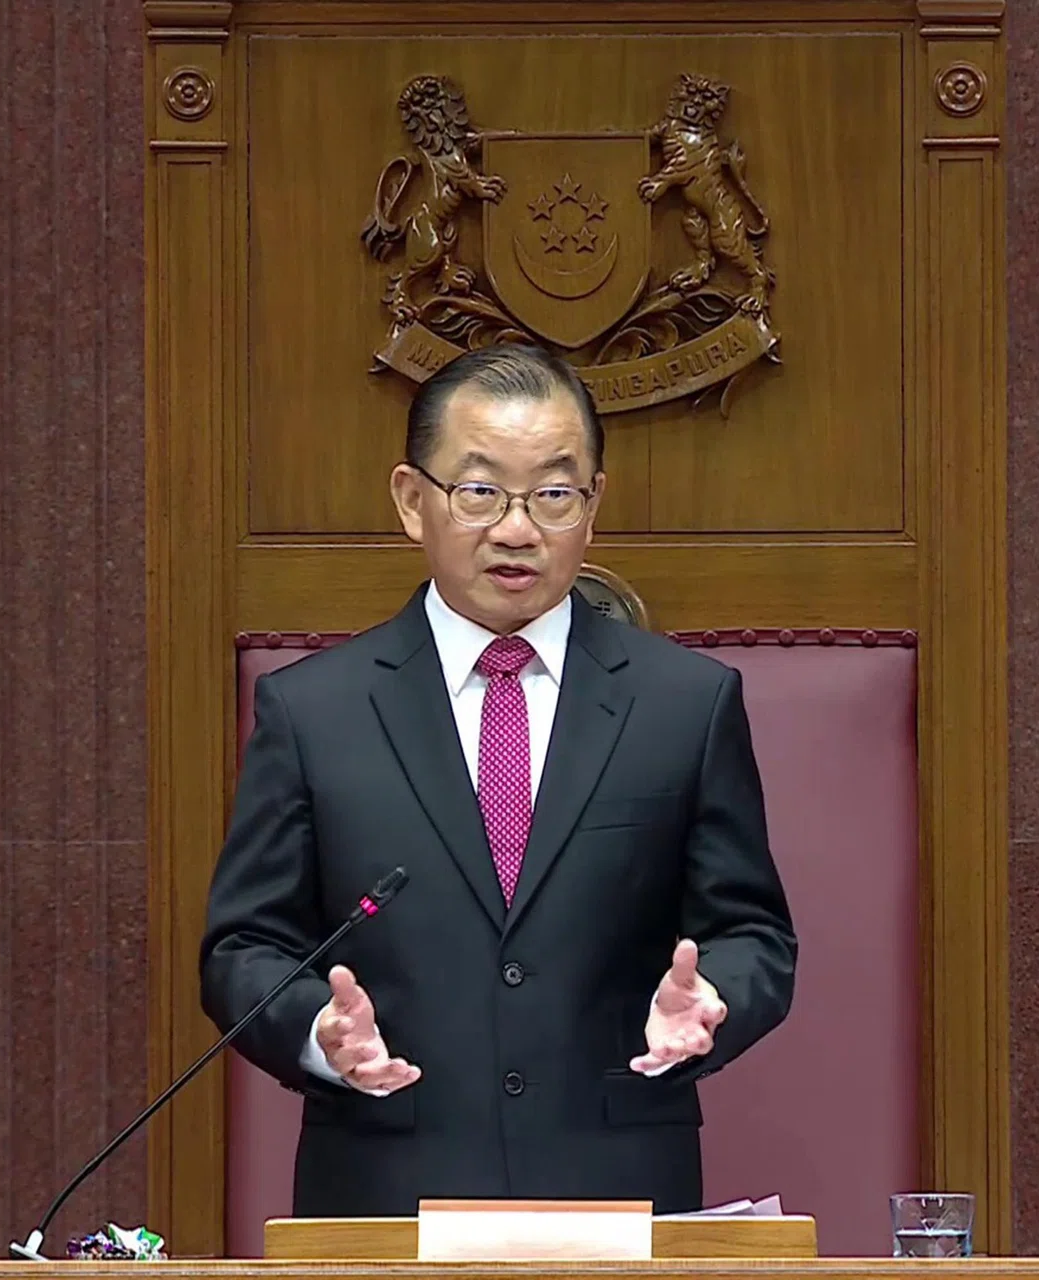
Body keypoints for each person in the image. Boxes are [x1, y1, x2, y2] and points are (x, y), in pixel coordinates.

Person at [199, 343, 796, 1216]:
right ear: (413, 501)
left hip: (618, 1198)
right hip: (385, 1198)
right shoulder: (313, 713)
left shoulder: (686, 704)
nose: (517, 529)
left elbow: (754, 934)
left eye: (553, 495)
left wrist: (712, 1000)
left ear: (592, 507)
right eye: (480, 492)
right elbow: (242, 950)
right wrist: (319, 1035)